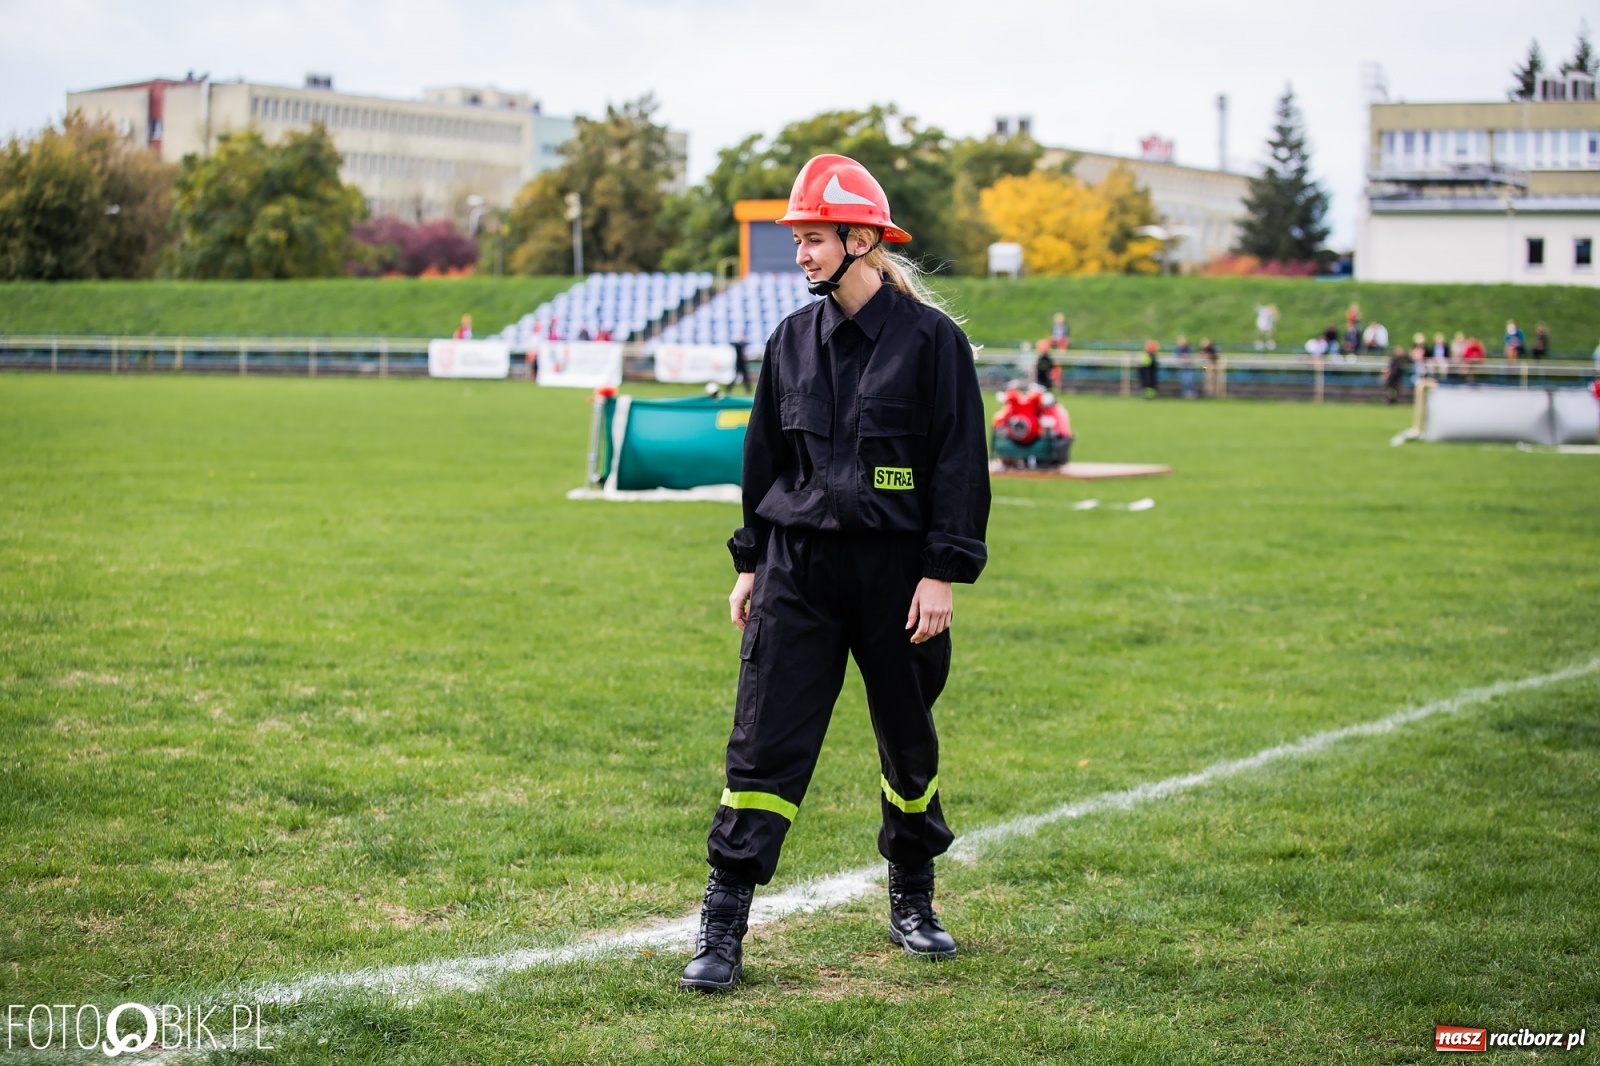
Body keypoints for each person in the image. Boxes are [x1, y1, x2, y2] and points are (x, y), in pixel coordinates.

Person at [680, 154, 991, 994]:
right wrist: (751, 562)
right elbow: (763, 460)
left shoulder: (935, 346)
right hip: (799, 573)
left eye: (813, 238)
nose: (802, 255)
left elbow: (961, 467)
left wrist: (941, 573)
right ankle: (723, 926)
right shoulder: (789, 341)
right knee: (763, 743)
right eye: (798, 239)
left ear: (861, 239)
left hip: (898, 580)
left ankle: (914, 899)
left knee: (907, 744)